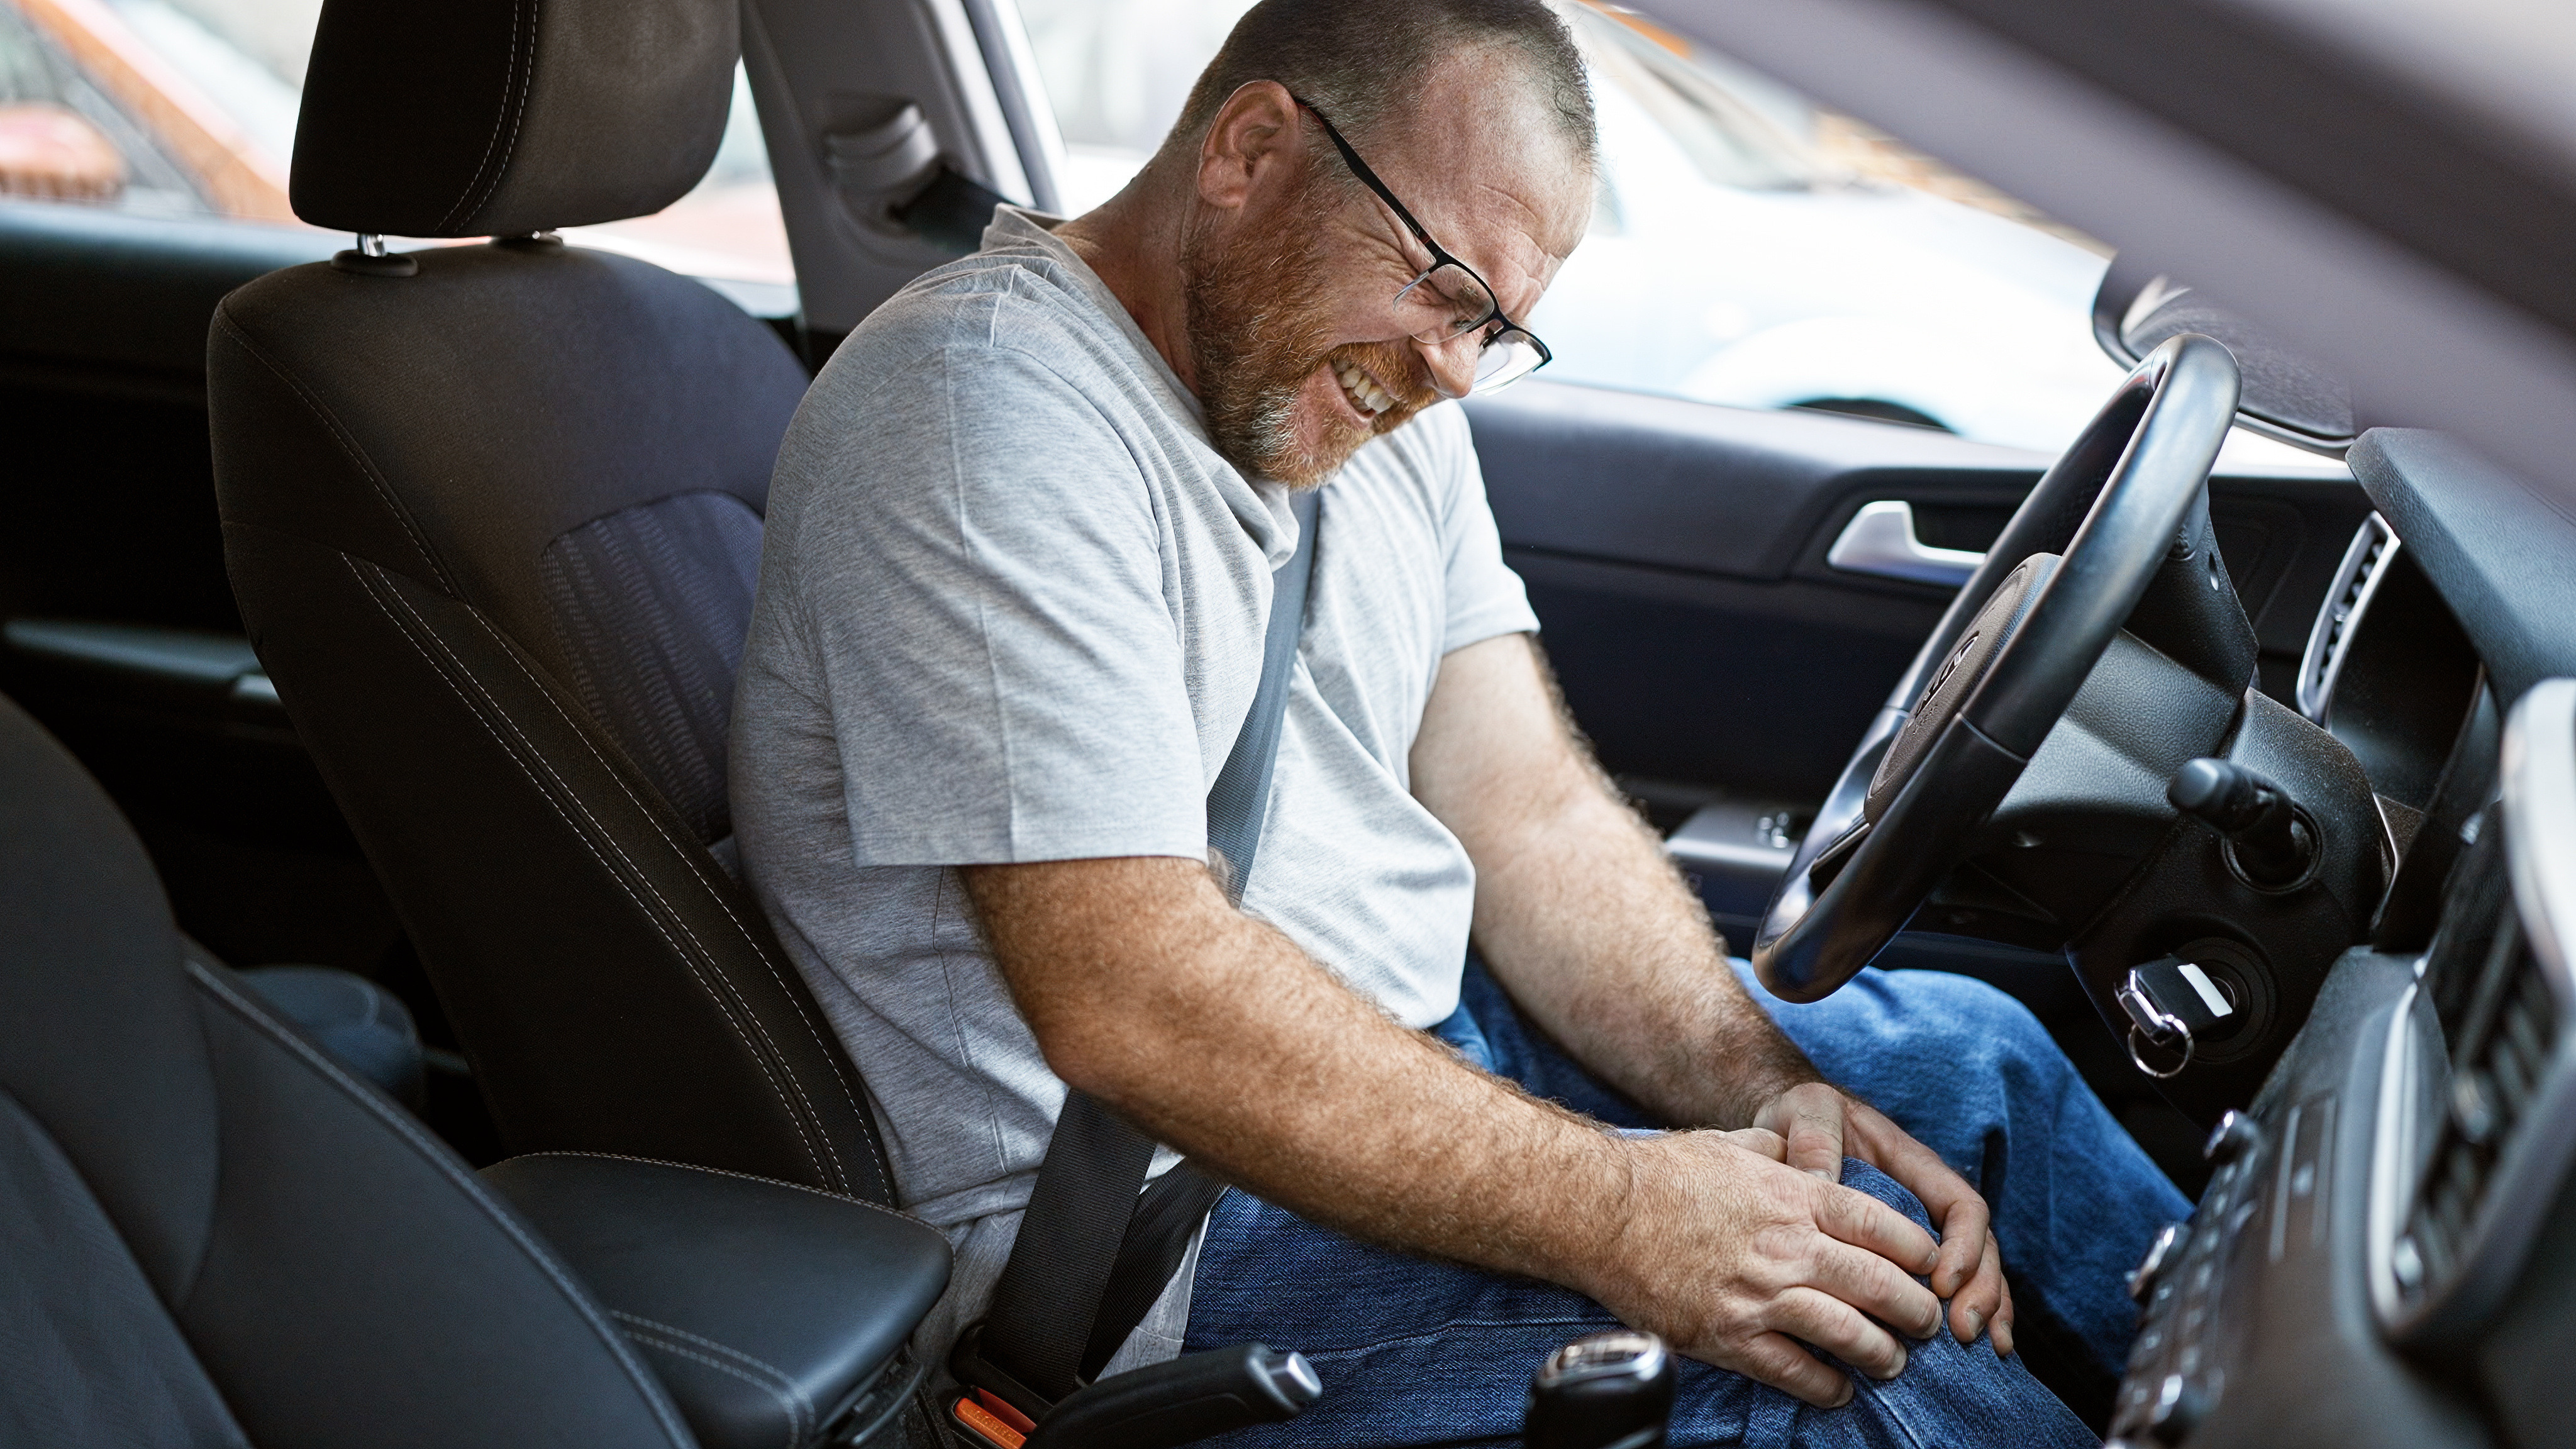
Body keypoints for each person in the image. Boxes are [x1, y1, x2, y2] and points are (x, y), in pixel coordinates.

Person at [730, 0, 2189, 1441]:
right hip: (1154, 1229)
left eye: (1497, 328)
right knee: (1844, 1360)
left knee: (1967, 1075)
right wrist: (1625, 1207)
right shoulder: (982, 417)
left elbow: (1528, 812)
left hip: (1433, 1038)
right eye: (1442, 286)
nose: (1451, 373)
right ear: (1248, 152)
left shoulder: (1358, 405)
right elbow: (1135, 995)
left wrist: (1761, 1090)